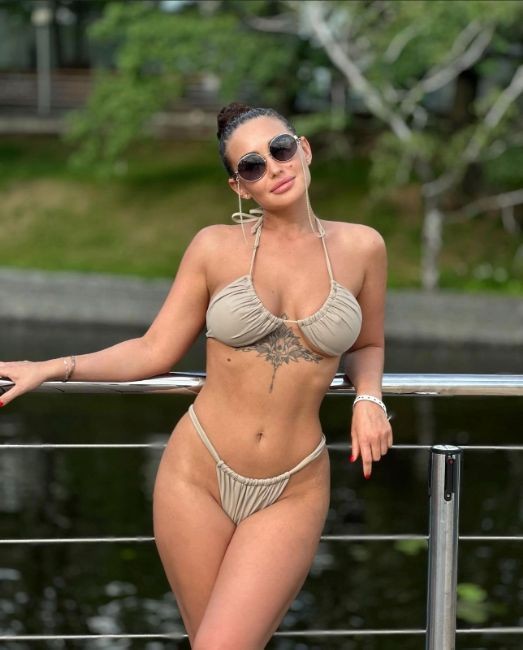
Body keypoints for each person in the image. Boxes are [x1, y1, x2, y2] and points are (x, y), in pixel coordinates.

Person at [0, 102, 393, 649]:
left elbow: (368, 343)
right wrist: (54, 367)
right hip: (197, 476)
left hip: (293, 486)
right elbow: (153, 349)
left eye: (280, 149)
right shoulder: (214, 247)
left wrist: (369, 399)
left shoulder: (363, 247)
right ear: (239, 186)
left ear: (303, 149)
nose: (273, 168)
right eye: (252, 165)